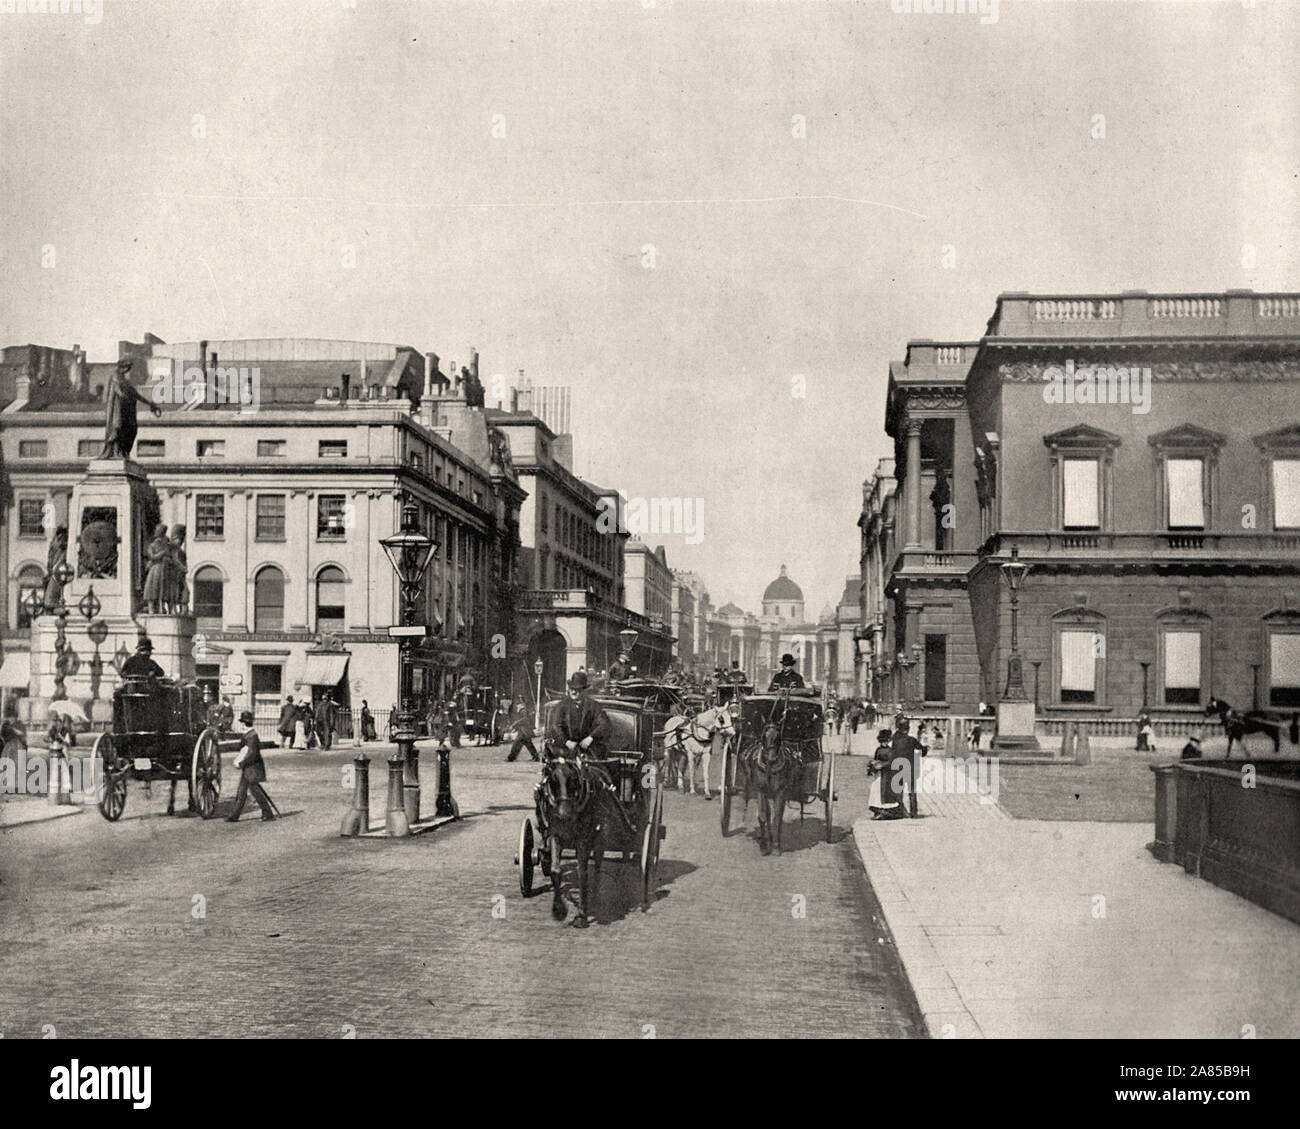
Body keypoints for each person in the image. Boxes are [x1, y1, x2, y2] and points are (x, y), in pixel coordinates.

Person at [545, 671, 611, 760]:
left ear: (584, 690)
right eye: (571, 688)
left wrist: (591, 738)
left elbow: (604, 723)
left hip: (589, 750)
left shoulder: (593, 706)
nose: (573, 691)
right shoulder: (561, 706)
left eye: (577, 689)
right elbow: (555, 726)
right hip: (565, 750)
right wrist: (566, 742)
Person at [227, 710, 275, 822]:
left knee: (255, 792)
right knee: (242, 792)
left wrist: (241, 763)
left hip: (252, 768)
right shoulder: (250, 735)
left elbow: (252, 754)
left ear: (244, 723)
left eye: (242, 723)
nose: (241, 725)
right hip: (249, 768)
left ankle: (268, 813)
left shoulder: (252, 736)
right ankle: (234, 816)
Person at [868, 728, 906, 819]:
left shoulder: (891, 751)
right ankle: (877, 809)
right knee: (875, 789)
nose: (883, 743)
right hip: (879, 775)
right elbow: (876, 758)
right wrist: (872, 764)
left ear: (888, 741)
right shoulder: (878, 749)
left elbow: (892, 762)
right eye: (882, 741)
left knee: (884, 792)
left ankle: (887, 810)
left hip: (887, 775)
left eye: (885, 741)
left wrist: (882, 765)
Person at [891, 719, 924, 816]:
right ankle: (914, 812)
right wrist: (926, 748)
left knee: (899, 791)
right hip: (910, 768)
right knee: (912, 791)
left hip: (898, 768)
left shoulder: (895, 740)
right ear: (908, 729)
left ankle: (900, 811)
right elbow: (922, 750)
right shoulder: (912, 740)